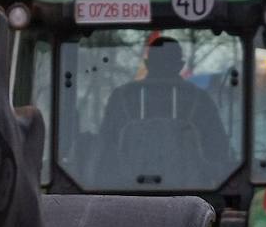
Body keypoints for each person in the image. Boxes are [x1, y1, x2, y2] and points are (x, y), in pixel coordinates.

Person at [98, 37, 231, 169]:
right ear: (180, 66)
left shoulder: (122, 98)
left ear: (147, 63)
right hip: (190, 187)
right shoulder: (199, 100)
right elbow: (218, 152)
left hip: (125, 187)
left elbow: (104, 150)